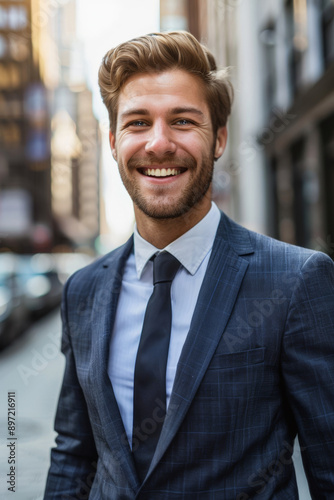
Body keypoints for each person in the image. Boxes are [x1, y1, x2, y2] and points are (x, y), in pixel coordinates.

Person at [44, 31, 334, 500]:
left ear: (219, 138)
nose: (159, 144)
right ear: (114, 142)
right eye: (138, 122)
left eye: (182, 121)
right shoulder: (82, 290)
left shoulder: (296, 280)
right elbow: (75, 452)